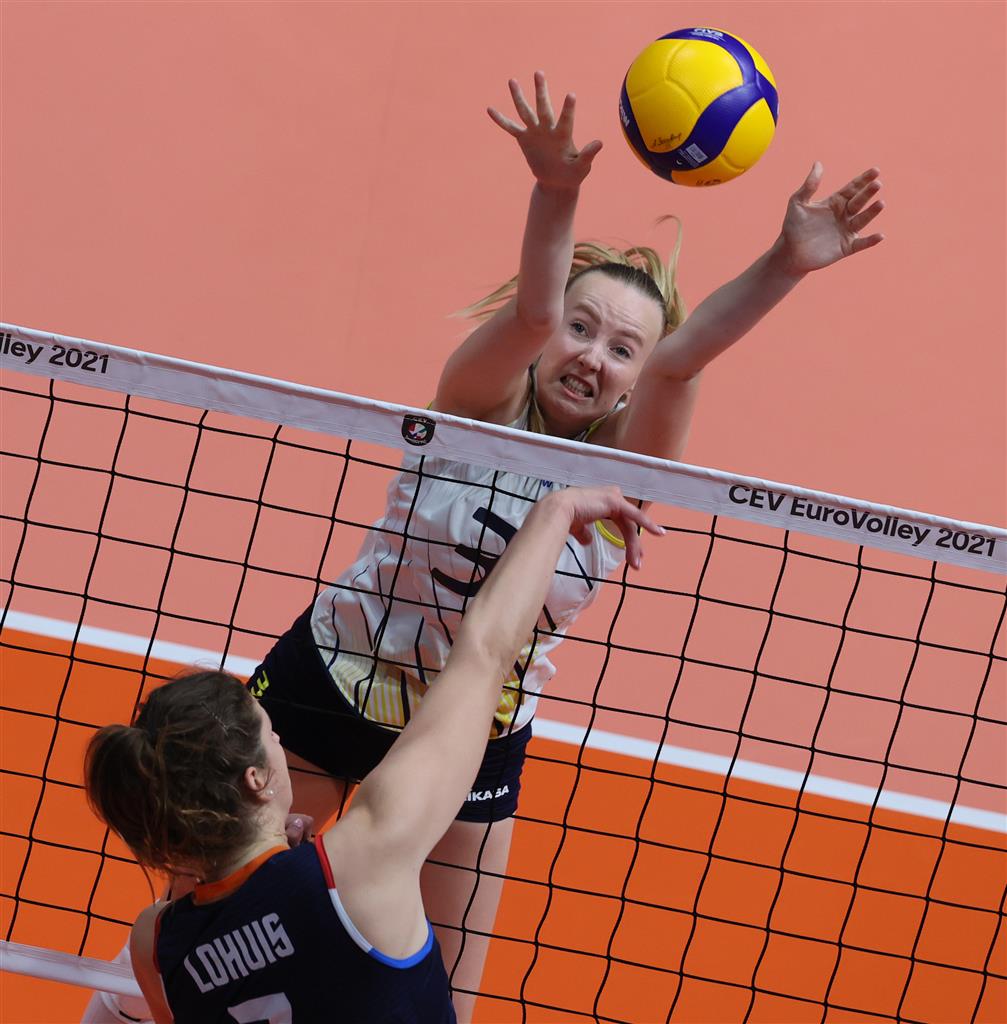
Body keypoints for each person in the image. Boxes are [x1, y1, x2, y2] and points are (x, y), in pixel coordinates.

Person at [247, 72, 886, 1018]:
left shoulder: (630, 479)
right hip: (335, 675)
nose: (591, 353)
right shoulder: (472, 407)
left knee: (445, 1003)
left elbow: (682, 363)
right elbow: (531, 316)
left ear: (633, 380)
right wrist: (555, 191)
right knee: (219, 928)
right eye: (581, 329)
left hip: (473, 732)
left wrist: (783, 265)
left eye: (621, 348)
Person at [83, 486, 662, 1024]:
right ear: (256, 780)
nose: (281, 740)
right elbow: (487, 652)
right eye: (271, 733)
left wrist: (282, 868)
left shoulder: (156, 944)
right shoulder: (360, 862)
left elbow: (261, 936)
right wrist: (556, 511)